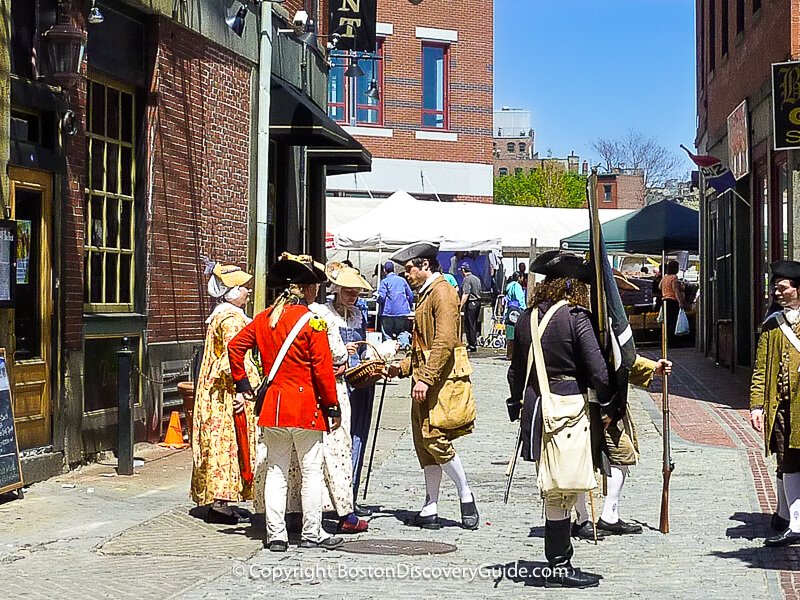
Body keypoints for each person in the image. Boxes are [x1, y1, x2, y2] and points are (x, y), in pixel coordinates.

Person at [228, 253, 343, 552]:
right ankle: (311, 532)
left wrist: (243, 383)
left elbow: (235, 346)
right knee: (311, 472)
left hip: (274, 407)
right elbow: (322, 370)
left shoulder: (263, 319)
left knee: (276, 472)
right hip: (306, 408)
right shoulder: (314, 323)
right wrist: (332, 406)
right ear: (304, 290)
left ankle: (276, 534)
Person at [386, 241, 479, 531]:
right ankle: (431, 505)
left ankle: (466, 496)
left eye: (409, 269)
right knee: (423, 445)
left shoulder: (442, 293)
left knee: (435, 437)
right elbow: (422, 345)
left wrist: (425, 378)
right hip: (424, 379)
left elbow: (445, 341)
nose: (406, 275)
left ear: (425, 265)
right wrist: (401, 369)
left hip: (439, 381)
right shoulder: (426, 293)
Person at [571, 271, 672, 539]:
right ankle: (584, 517)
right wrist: (607, 404)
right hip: (589, 401)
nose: (620, 295)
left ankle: (608, 514)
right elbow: (600, 364)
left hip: (608, 399)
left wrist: (654, 368)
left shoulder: (609, 320)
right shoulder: (583, 320)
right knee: (585, 460)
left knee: (620, 456)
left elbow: (622, 359)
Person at [191, 262, 259, 525]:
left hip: (220, 388)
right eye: (243, 287)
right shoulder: (230, 319)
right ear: (231, 291)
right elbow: (233, 357)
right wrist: (241, 390)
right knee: (226, 443)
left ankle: (224, 502)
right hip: (226, 391)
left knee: (225, 442)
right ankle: (220, 505)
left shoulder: (225, 315)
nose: (248, 292)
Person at [750, 260, 800, 547]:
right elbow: (759, 370)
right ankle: (792, 522)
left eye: (783, 288)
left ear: (798, 289)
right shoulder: (772, 325)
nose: (777, 293)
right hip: (781, 410)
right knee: (788, 462)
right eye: (776, 288)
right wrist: (757, 406)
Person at [326, 262, 377, 517]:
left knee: (358, 436)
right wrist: (338, 352)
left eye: (356, 291)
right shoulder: (325, 314)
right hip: (337, 380)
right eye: (348, 290)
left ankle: (351, 494)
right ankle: (334, 496)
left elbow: (365, 346)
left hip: (360, 380)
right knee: (337, 439)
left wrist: (371, 358)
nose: (352, 295)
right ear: (337, 289)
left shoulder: (359, 314)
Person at [377, 261, 414, 342]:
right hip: (402, 311)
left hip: (388, 312)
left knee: (387, 334)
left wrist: (377, 299)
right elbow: (410, 294)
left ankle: (389, 351)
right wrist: (409, 306)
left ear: (384, 270)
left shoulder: (384, 281)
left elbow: (382, 297)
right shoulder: (402, 280)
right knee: (402, 332)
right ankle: (406, 348)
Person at [504, 271, 527, 361]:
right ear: (519, 278)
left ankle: (509, 353)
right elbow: (520, 298)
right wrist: (525, 309)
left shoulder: (508, 285)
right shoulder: (516, 286)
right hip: (517, 309)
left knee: (510, 331)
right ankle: (514, 354)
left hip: (509, 309)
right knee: (517, 331)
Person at [460, 263, 482, 352]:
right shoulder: (476, 278)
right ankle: (473, 343)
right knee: (474, 324)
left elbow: (466, 293)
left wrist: (460, 305)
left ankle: (472, 345)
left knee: (470, 324)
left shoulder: (467, 279)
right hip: (478, 302)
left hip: (471, 303)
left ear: (463, 270)